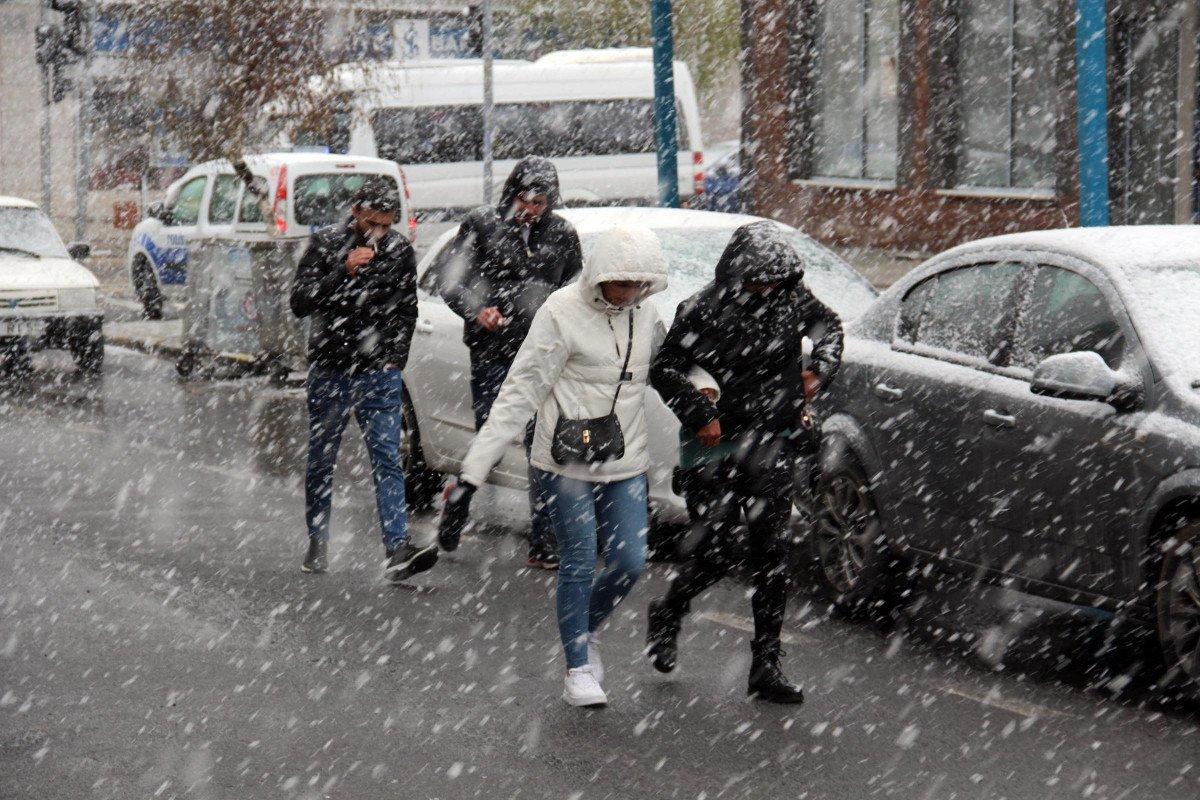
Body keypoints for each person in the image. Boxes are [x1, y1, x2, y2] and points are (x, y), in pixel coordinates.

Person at [438, 225, 668, 707]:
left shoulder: (647, 316)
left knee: (630, 562)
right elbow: (519, 391)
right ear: (599, 275)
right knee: (579, 561)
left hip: (624, 459)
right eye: (619, 284)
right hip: (562, 461)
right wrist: (472, 472)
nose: (627, 295)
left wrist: (706, 388)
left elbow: (670, 367)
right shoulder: (561, 312)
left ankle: (585, 629)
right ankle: (577, 667)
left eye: (637, 286)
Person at [644, 221, 844, 705]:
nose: (766, 288)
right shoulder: (701, 309)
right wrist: (699, 412)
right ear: (735, 273)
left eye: (775, 279)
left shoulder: (794, 300)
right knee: (717, 548)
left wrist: (818, 371)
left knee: (770, 554)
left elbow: (831, 330)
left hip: (773, 439)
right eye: (757, 279)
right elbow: (663, 368)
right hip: (713, 443)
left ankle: (766, 664)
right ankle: (669, 611)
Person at [433, 156, 583, 569]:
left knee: (544, 443)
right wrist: (478, 310)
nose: (531, 208)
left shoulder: (563, 234)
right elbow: (450, 279)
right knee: (492, 438)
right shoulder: (482, 225)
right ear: (512, 194)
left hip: (542, 354)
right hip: (492, 351)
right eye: (526, 198)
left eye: (541, 201)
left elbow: (574, 284)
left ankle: (544, 539)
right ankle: (457, 507)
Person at [289, 176, 438, 583]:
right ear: (355, 212)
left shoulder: (399, 252)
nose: (380, 232)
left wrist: (394, 358)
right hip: (331, 369)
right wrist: (342, 269)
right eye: (373, 223)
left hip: (377, 372)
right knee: (323, 458)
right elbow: (300, 302)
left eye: (387, 225)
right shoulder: (324, 244)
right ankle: (317, 540)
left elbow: (407, 309)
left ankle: (397, 548)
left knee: (388, 458)